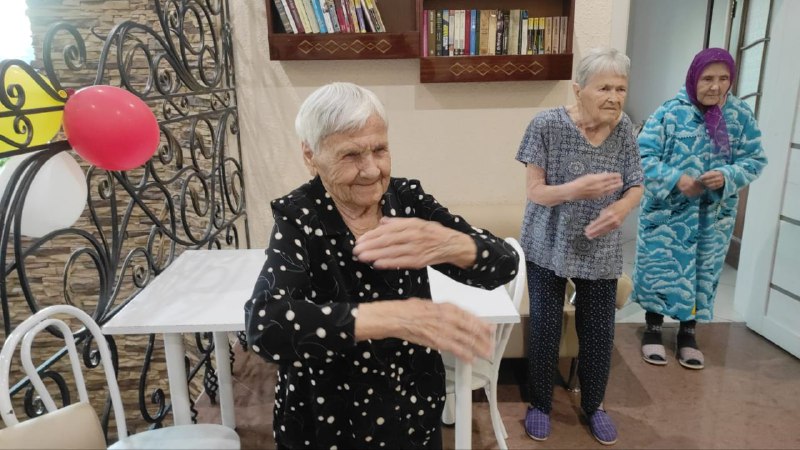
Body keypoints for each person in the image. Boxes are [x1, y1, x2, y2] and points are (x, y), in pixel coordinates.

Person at [244, 82, 519, 449]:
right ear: (310, 155)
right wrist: (395, 318)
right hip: (329, 418)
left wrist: (453, 244)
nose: (371, 170)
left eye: (380, 149)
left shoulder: (407, 201)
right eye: (350, 155)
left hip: (411, 405)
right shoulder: (300, 216)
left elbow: (505, 265)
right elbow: (265, 325)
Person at [515, 48, 643, 446]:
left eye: (621, 88)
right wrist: (574, 189)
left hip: (600, 248)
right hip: (547, 242)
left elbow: (636, 185)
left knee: (599, 332)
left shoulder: (624, 129)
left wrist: (621, 208)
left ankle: (595, 405)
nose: (614, 97)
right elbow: (535, 191)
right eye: (604, 88)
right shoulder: (546, 125)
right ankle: (540, 404)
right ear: (578, 89)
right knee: (546, 327)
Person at [632, 48, 767, 370]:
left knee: (702, 271)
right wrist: (676, 179)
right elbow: (641, 157)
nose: (715, 86)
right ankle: (653, 328)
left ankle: (688, 333)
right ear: (694, 78)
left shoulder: (740, 116)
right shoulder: (669, 113)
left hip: (713, 215)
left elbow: (755, 159)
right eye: (707, 78)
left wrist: (728, 175)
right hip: (668, 213)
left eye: (723, 78)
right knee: (660, 267)